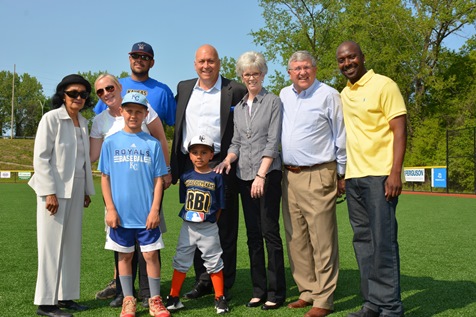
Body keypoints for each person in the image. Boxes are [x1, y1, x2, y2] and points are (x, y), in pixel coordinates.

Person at [170, 44, 247, 299]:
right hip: (190, 167)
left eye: (211, 61)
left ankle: (224, 282)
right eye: (202, 61)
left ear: (219, 63)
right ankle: (202, 281)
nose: (206, 66)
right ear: (195, 64)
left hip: (221, 166)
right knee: (194, 224)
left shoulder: (234, 89)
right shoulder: (183, 88)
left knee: (223, 226)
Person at [336, 41, 407, 317]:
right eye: (342, 60)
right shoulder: (344, 93)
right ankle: (372, 304)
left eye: (351, 57)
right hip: (354, 179)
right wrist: (343, 176)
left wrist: (395, 172)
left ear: (362, 57)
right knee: (363, 242)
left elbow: (399, 130)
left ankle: (391, 308)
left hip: (380, 176)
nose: (347, 63)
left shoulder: (384, 85)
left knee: (383, 241)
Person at [90, 73, 170, 307]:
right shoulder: (106, 131)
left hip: (146, 200)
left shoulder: (150, 139)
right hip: (118, 203)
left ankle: (150, 295)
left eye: (110, 87)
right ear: (123, 112)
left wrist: (166, 173)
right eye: (100, 91)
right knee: (123, 251)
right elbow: (100, 168)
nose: (106, 93)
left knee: (149, 250)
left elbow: (161, 145)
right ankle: (126, 296)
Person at [214, 51, 286, 310]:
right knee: (253, 235)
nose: (251, 77)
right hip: (243, 176)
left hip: (267, 175)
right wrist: (228, 160)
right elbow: (236, 142)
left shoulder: (274, 102)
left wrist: (261, 175)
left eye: (256, 73)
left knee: (269, 233)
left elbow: (272, 142)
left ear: (263, 74)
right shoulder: (240, 107)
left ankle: (276, 292)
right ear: (242, 77)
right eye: (247, 74)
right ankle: (259, 290)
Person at [280, 50, 346, 317]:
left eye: (306, 67)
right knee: (296, 237)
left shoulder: (328, 95)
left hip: (319, 172)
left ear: (315, 69)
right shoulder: (284, 94)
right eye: (296, 68)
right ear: (289, 73)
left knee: (322, 238)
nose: (301, 72)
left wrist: (341, 174)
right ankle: (306, 291)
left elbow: (340, 135)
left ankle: (324, 298)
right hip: (288, 175)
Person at [29, 74, 95, 317]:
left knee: (71, 244)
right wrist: (49, 192)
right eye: (72, 93)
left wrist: (87, 190)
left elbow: (84, 161)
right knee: (50, 246)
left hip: (77, 190)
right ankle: (46, 303)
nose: (78, 97)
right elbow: (41, 157)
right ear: (63, 96)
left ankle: (66, 296)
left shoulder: (84, 122)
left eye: (83, 94)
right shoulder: (51, 119)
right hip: (54, 191)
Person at [166, 134, 230, 315]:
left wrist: (211, 222)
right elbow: (184, 201)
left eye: (204, 152)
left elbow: (219, 206)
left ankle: (219, 297)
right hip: (188, 226)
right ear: (189, 155)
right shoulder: (186, 176)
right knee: (181, 260)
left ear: (212, 155)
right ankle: (174, 297)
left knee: (214, 261)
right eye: (194, 152)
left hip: (208, 227)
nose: (199, 156)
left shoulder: (216, 177)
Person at [93, 41, 176, 127]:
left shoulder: (163, 91)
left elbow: (176, 124)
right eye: (135, 56)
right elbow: (99, 119)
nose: (139, 60)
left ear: (152, 63)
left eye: (145, 57)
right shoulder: (113, 86)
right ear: (130, 59)